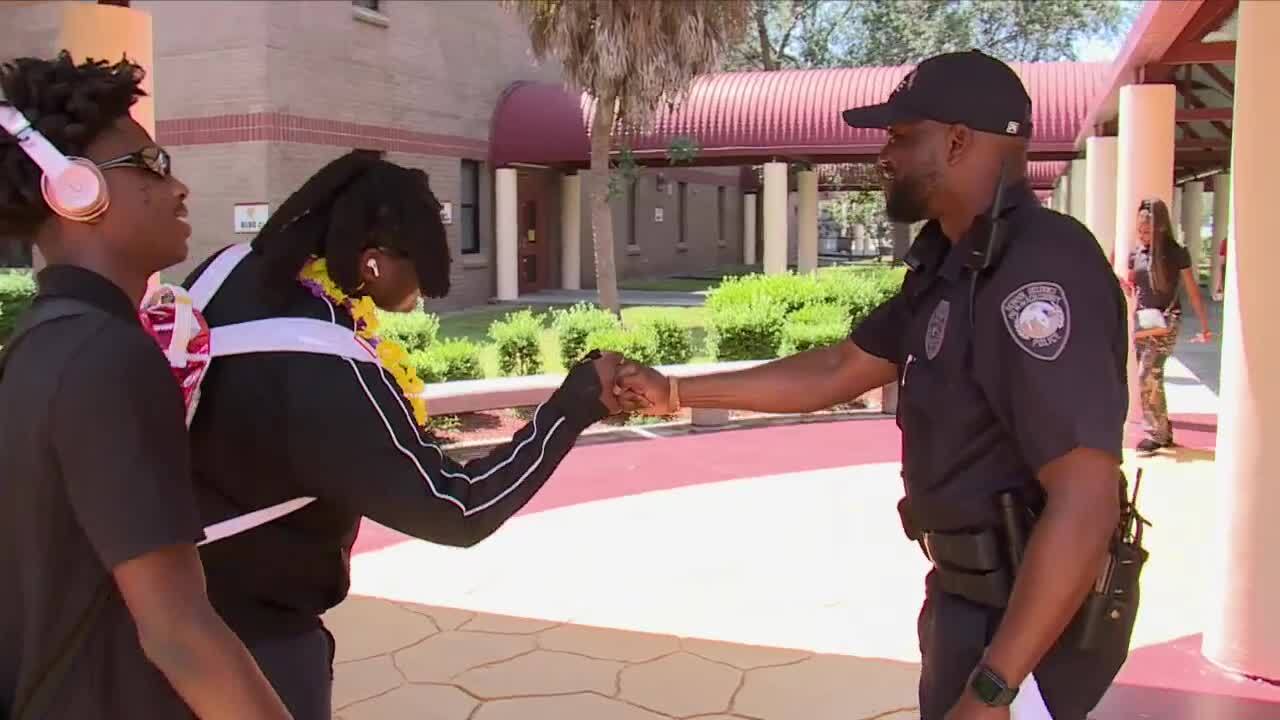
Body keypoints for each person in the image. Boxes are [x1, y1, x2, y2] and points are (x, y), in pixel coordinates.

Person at [616, 50, 1136, 720]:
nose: (883, 156)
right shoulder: (951, 264)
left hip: (1029, 631)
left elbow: (1087, 498)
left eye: (898, 136)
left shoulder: (1041, 271)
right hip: (966, 602)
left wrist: (994, 689)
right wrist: (678, 393)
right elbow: (839, 368)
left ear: (956, 141)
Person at [178, 151, 633, 719]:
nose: (421, 297)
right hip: (256, 648)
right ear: (371, 263)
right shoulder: (324, 363)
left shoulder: (224, 272)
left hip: (175, 616)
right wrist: (573, 406)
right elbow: (455, 507)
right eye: (419, 273)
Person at [0, 53, 289, 718]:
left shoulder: (41, 343)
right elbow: (179, 633)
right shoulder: (109, 355)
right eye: (152, 165)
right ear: (75, 190)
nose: (180, 187)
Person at [1125, 198, 1212, 455]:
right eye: (1139, 230)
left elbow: (1192, 290)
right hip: (1143, 322)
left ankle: (1156, 434)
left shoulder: (1175, 252)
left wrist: (1204, 325)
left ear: (1160, 227)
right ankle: (1164, 430)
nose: (1142, 235)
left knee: (1147, 374)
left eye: (1147, 230)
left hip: (1167, 320)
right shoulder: (1136, 254)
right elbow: (1135, 287)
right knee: (1151, 377)